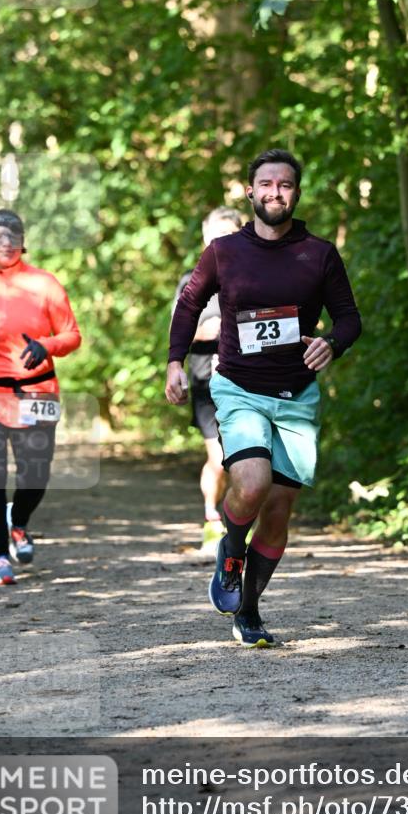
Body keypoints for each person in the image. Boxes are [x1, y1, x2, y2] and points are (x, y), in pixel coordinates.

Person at [166, 149, 361, 647]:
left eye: (286, 185)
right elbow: (189, 304)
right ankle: (231, 551)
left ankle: (248, 612)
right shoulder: (225, 251)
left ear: (296, 193)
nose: (276, 192)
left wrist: (331, 342)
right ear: (250, 192)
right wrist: (174, 361)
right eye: (266, 184)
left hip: (296, 395)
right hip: (238, 386)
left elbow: (348, 318)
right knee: (250, 484)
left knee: (278, 510)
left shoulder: (318, 254)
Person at [0, 210, 81, 586]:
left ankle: (18, 522)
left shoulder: (45, 284)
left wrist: (47, 345)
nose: (6, 241)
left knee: (36, 474)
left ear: (24, 240)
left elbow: (72, 335)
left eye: (14, 234)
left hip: (36, 389)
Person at [171, 207, 243, 555]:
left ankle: (236, 523)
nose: (221, 241)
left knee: (244, 460)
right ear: (204, 238)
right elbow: (180, 330)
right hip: (208, 382)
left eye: (228, 234)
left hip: (250, 381)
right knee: (220, 459)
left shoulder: (254, 274)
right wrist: (210, 330)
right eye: (215, 235)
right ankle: (213, 520)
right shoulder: (193, 280)